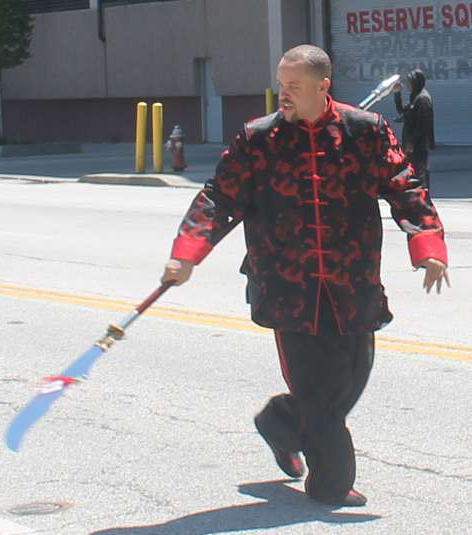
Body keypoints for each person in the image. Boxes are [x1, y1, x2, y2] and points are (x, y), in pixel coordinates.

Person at [161, 45, 449, 507]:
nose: (284, 94)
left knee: (348, 382)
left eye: (294, 86)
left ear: (323, 87)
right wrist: (188, 253)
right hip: (286, 286)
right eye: (281, 85)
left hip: (353, 284)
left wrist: (428, 245)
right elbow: (219, 197)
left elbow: (404, 185)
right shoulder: (259, 138)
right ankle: (330, 484)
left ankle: (280, 423)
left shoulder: (365, 131)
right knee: (321, 394)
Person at [393, 69, 435, 191]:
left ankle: (422, 199)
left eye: (409, 82)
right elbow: (403, 111)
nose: (407, 85)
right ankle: (420, 198)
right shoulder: (415, 96)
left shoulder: (423, 99)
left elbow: (422, 124)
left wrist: (411, 141)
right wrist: (397, 94)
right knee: (414, 172)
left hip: (419, 144)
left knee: (419, 173)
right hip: (412, 143)